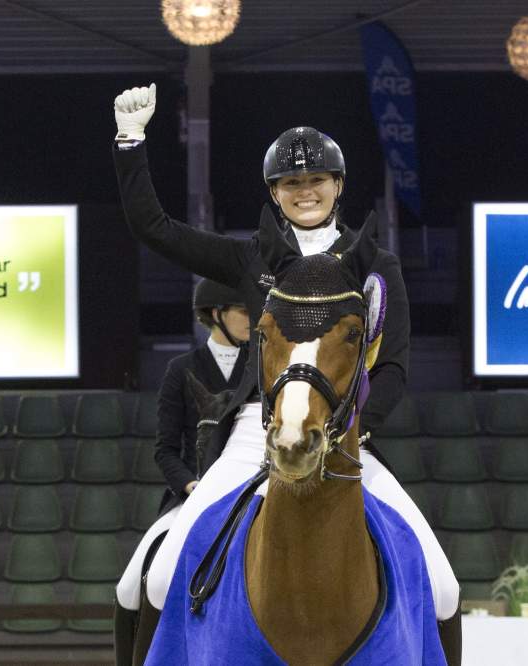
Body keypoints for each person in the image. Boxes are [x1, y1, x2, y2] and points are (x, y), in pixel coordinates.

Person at [112, 83, 460, 658]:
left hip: (345, 437)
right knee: (155, 575)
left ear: (338, 185)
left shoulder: (377, 265)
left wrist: (352, 430)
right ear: (275, 193)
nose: (305, 191)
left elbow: (393, 367)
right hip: (259, 432)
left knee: (444, 587)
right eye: (291, 183)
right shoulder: (252, 257)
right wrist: (130, 143)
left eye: (316, 179)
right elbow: (156, 229)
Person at [114, 278, 249, 660]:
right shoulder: (181, 369)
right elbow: (166, 450)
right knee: (133, 585)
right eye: (243, 311)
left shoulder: (261, 367)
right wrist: (193, 487)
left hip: (252, 493)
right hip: (193, 495)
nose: (252, 319)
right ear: (216, 314)